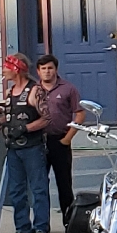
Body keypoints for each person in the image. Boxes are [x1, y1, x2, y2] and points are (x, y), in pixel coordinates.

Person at [0, 55, 52, 233]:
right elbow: (8, 113)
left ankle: (40, 228)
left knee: (38, 188)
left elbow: (46, 118)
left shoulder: (35, 90)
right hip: (13, 148)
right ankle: (22, 229)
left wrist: (25, 128)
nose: (3, 71)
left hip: (33, 147)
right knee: (16, 190)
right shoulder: (10, 91)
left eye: (6, 68)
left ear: (17, 69)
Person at [36, 55, 84, 217]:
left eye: (50, 68)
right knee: (40, 184)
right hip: (38, 142)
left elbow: (80, 114)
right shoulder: (34, 90)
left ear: (56, 69)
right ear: (38, 71)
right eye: (43, 69)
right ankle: (42, 223)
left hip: (60, 140)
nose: (47, 72)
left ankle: (68, 220)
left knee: (64, 183)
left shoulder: (68, 89)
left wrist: (68, 138)